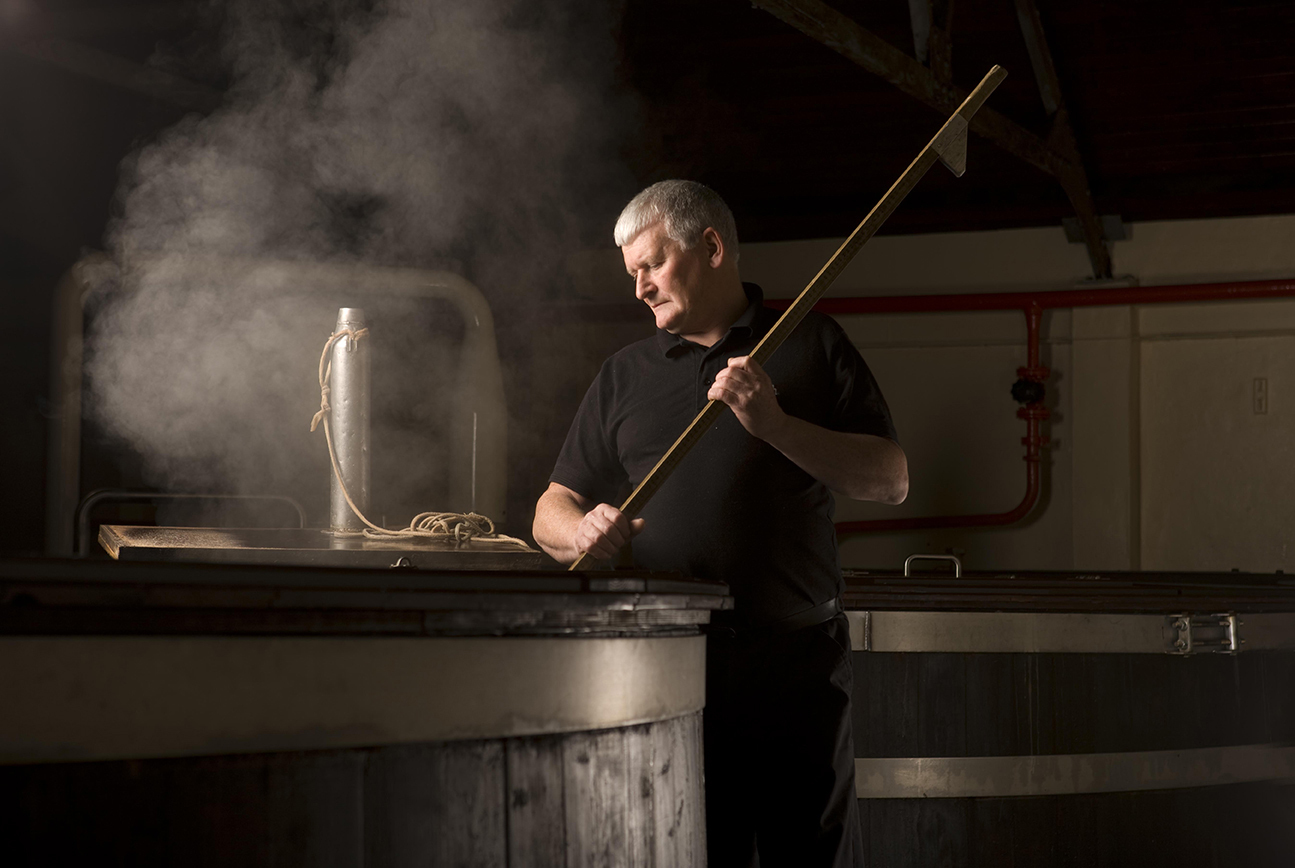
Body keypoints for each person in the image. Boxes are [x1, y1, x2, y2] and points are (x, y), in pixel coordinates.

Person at [532, 180, 908, 868]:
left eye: (650, 264)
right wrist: (581, 531)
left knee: (812, 855)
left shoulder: (809, 343)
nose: (640, 287)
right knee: (693, 852)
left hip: (795, 657)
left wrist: (776, 426)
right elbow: (548, 510)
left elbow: (889, 480)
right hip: (668, 667)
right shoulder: (624, 375)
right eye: (631, 274)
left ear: (708, 247)